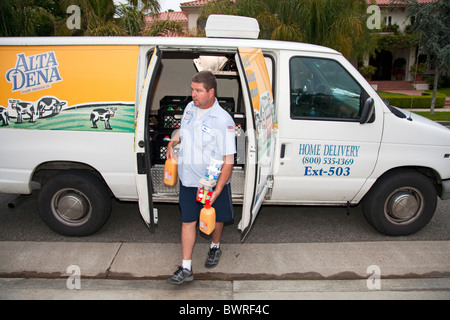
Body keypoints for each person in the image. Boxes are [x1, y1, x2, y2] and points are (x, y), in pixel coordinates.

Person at [166, 71, 236, 285]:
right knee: (188, 221)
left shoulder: (223, 121)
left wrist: (217, 189)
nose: (193, 94)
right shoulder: (189, 108)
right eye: (192, 89)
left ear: (211, 92)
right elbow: (183, 131)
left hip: (210, 181)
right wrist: (173, 141)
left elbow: (229, 160)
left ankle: (215, 246)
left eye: (198, 91)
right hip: (188, 180)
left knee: (216, 218)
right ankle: (186, 268)